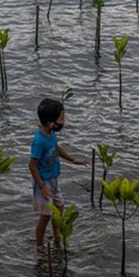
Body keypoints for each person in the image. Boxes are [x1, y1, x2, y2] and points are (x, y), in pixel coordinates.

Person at [29, 98, 89, 248]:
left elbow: (56, 148)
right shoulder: (39, 141)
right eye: (61, 118)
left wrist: (73, 160)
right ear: (51, 123)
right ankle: (39, 246)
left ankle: (57, 239)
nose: (64, 121)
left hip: (54, 180)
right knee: (45, 217)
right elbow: (32, 166)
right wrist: (42, 187)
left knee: (59, 209)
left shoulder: (51, 135)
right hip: (44, 183)